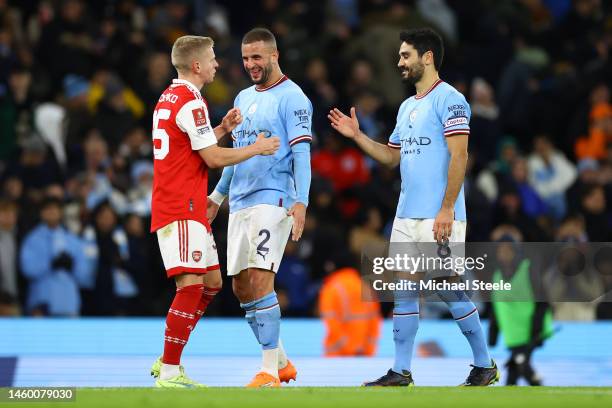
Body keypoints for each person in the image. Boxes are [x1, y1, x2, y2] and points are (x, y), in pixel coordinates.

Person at [328, 28, 499, 386]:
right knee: (404, 288)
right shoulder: (407, 107)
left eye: (406, 55)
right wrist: (358, 136)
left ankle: (484, 364)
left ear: (427, 57)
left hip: (439, 213)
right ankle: (401, 370)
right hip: (406, 214)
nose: (399, 62)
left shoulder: (450, 99)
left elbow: (459, 155)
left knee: (448, 286)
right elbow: (391, 158)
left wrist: (447, 208)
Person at [148, 35, 280, 388]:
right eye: (212, 59)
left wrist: (223, 129)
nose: (216, 64)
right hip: (181, 204)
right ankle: (171, 369)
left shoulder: (171, 97)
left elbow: (190, 146)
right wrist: (256, 147)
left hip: (184, 202)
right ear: (196, 66)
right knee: (190, 286)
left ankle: (168, 358)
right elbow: (212, 158)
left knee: (211, 283)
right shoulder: (191, 102)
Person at [207, 28, 312, 388]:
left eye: (257, 57)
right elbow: (236, 154)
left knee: (260, 279)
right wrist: (217, 197)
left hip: (275, 197)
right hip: (240, 201)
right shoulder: (242, 96)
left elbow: (301, 154)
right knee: (240, 288)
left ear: (274, 55)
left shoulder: (293, 97)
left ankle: (267, 372)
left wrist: (302, 202)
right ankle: (280, 360)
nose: (251, 64)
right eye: (246, 58)